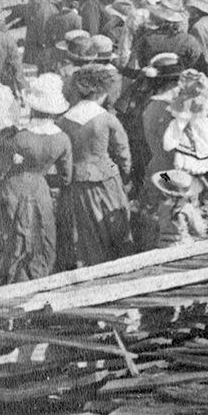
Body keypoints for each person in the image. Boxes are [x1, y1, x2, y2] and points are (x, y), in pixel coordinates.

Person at [0, 75, 74, 281]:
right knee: (40, 236)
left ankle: (7, 280)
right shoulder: (62, 139)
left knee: (9, 236)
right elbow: (65, 177)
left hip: (12, 187)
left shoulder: (17, 138)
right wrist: (43, 179)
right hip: (40, 188)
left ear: (33, 108)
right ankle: (34, 279)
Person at [56, 64, 132, 267]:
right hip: (106, 181)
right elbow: (123, 152)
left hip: (75, 182)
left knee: (84, 237)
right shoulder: (107, 119)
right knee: (114, 231)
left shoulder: (63, 120)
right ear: (102, 92)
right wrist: (126, 176)